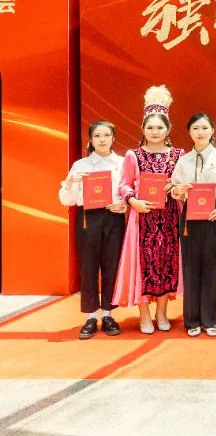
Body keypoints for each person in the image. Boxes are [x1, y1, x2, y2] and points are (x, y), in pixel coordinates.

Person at [115, 86, 184, 335]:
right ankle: (144, 314)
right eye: (150, 127)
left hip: (170, 217)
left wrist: (176, 188)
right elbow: (123, 184)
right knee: (142, 266)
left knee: (167, 264)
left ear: (168, 129)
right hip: (142, 217)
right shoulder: (133, 155)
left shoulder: (178, 155)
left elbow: (183, 183)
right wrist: (133, 201)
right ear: (143, 129)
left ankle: (162, 312)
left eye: (160, 127)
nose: (155, 132)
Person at [170, 113, 216, 337]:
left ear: (212, 130)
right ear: (189, 132)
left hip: (215, 214)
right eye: (195, 128)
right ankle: (192, 320)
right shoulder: (184, 160)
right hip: (190, 216)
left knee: (212, 267)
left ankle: (211, 319)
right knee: (191, 267)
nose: (200, 132)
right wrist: (178, 191)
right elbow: (173, 189)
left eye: (204, 128)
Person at [59, 121, 127, 339]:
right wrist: (69, 183)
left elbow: (129, 192)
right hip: (88, 218)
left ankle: (107, 315)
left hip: (114, 217)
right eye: (97, 135)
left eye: (106, 135)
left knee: (111, 265)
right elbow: (67, 200)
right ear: (90, 139)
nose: (102, 139)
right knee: (88, 267)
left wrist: (123, 205)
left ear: (113, 138)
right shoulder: (80, 165)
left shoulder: (123, 163)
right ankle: (90, 316)